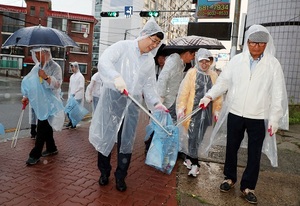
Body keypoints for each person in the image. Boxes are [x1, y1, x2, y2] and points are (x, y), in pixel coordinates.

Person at [199, 25, 289, 204]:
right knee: (231, 147)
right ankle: (229, 178)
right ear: (247, 42)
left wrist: (274, 119)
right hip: (236, 112)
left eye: (261, 43)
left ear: (266, 44)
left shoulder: (273, 64)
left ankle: (248, 186)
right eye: (253, 43)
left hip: (258, 116)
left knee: (254, 153)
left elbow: (278, 93)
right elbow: (223, 82)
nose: (257, 47)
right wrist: (209, 96)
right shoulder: (237, 60)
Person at [89, 17, 168, 192]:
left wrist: (156, 103)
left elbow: (149, 85)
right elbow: (104, 62)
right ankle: (104, 172)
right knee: (107, 137)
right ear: (145, 35)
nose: (154, 45)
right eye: (153, 41)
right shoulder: (122, 47)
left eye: (157, 43)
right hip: (113, 99)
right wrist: (116, 77)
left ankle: (120, 177)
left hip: (132, 103)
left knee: (126, 141)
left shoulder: (148, 61)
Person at [176, 48, 222, 177]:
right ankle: (195, 165)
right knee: (192, 137)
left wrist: (217, 110)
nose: (204, 64)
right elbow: (184, 92)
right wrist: (181, 107)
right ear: (197, 61)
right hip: (193, 112)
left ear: (211, 62)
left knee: (199, 138)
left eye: (207, 61)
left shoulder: (214, 75)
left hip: (207, 113)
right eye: (202, 61)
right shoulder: (192, 73)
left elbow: (218, 95)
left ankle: (190, 158)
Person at [22, 47, 64, 165]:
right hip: (40, 103)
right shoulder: (37, 67)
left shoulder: (56, 67)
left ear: (45, 53)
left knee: (41, 127)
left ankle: (35, 154)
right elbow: (31, 84)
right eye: (35, 53)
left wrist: (46, 77)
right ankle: (51, 148)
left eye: (38, 53)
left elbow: (58, 84)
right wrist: (26, 96)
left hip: (51, 104)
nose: (37, 56)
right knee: (46, 127)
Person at [157, 49, 197, 121]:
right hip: (167, 99)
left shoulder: (182, 64)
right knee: (163, 124)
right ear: (187, 53)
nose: (193, 58)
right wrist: (161, 96)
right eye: (193, 55)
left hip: (173, 98)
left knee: (169, 123)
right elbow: (163, 78)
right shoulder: (174, 61)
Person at [66, 61, 85, 129]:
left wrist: (75, 92)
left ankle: (73, 123)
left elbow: (81, 86)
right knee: (68, 110)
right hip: (72, 96)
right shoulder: (72, 76)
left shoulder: (80, 76)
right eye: (71, 68)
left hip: (77, 96)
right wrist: (69, 95)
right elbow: (70, 87)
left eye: (73, 67)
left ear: (76, 67)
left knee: (73, 111)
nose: (72, 69)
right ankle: (71, 122)